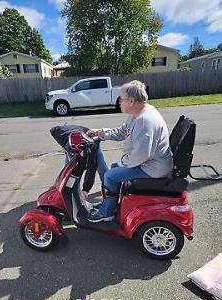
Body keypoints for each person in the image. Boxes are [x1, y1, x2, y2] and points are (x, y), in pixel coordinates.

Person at [87, 80, 173, 223]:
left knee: (110, 175)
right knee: (114, 168)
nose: (119, 101)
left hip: (152, 168)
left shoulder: (145, 121)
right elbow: (122, 132)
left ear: (131, 101)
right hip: (149, 162)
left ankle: (106, 212)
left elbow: (142, 155)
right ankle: (111, 204)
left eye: (121, 99)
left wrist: (123, 161)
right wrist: (100, 132)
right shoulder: (137, 114)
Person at [50, 124, 107, 198]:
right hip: (71, 135)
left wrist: (86, 190)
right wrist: (63, 146)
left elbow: (91, 169)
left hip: (90, 137)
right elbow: (52, 130)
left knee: (100, 164)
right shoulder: (59, 133)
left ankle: (107, 185)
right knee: (68, 167)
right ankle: (65, 186)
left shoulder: (92, 146)